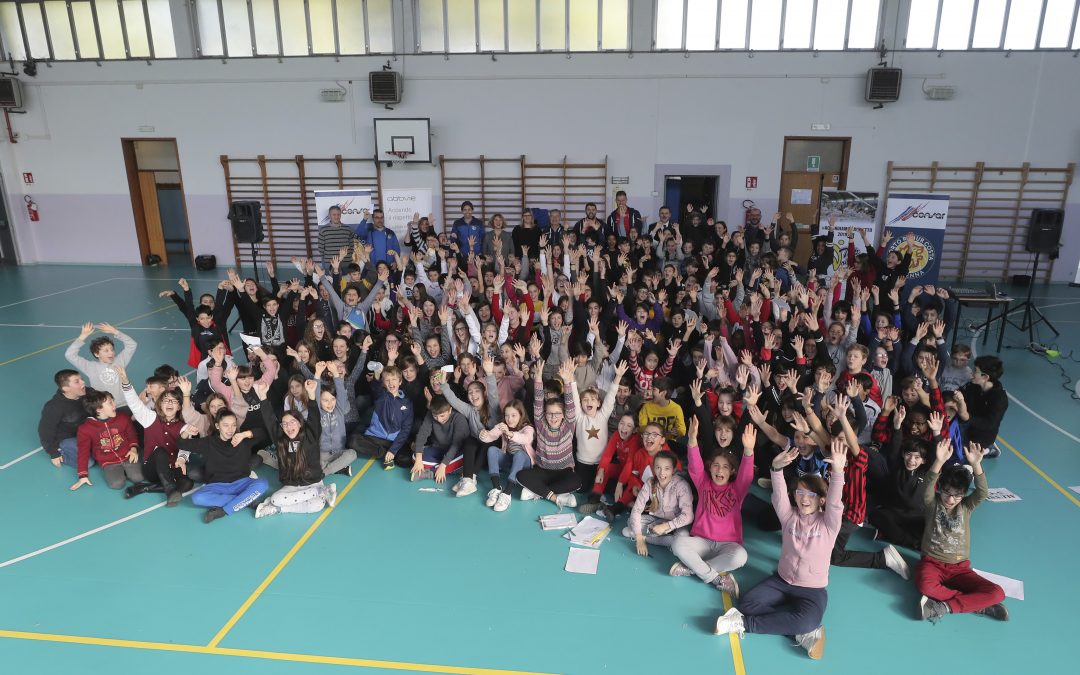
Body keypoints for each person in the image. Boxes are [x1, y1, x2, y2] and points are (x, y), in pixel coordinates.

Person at [713, 439, 848, 661]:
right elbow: (779, 496)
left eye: (811, 495)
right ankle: (801, 633)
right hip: (781, 581)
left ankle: (743, 624)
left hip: (812, 590)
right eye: (800, 493)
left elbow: (835, 503)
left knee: (807, 620)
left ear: (821, 500)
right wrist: (776, 469)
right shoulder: (789, 517)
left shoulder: (829, 524)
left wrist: (839, 472)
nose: (804, 499)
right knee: (747, 603)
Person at [916, 440, 1008, 622]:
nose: (951, 499)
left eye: (957, 495)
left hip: (960, 569)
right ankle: (977, 604)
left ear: (964, 494)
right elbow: (926, 487)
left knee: (998, 593)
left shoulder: (966, 506)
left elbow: (982, 492)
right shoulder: (932, 503)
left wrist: (976, 464)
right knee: (925, 586)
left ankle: (945, 606)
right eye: (947, 492)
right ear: (940, 489)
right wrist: (939, 462)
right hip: (932, 564)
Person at [669, 417, 753, 595]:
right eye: (716, 466)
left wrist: (749, 451)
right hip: (702, 542)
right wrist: (692, 440)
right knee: (677, 543)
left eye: (724, 467)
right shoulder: (703, 483)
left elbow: (746, 476)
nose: (719, 470)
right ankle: (714, 577)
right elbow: (695, 466)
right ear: (710, 468)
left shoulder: (737, 490)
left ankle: (692, 568)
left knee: (741, 556)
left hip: (726, 545)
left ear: (732, 472)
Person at [254, 381, 337, 518]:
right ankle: (321, 492)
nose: (288, 426)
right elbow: (269, 420)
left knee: (317, 506)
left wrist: (311, 395)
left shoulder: (310, 436)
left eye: (292, 422)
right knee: (276, 499)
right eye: (285, 424)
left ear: (300, 424)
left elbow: (314, 418)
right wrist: (263, 396)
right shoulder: (281, 440)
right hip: (292, 486)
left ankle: (279, 508)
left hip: (312, 482)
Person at [116, 366, 192, 505]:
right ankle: (169, 491)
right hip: (152, 470)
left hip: (174, 467)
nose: (169, 403)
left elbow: (185, 448)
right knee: (160, 451)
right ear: (159, 405)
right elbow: (134, 403)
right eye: (166, 401)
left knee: (186, 484)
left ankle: (144, 488)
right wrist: (125, 382)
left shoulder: (184, 426)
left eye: (174, 401)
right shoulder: (149, 418)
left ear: (179, 407)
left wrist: (181, 459)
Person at [176, 410, 268, 523]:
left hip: (241, 483)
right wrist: (186, 432)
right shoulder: (208, 443)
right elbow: (180, 443)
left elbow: (264, 433)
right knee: (197, 498)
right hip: (217, 486)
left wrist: (244, 434)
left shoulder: (243, 441)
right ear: (217, 426)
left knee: (263, 483)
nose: (230, 429)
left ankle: (224, 510)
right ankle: (246, 500)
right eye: (226, 425)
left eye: (233, 425)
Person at [515, 359, 581, 507]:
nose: (553, 417)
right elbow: (538, 401)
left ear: (563, 415)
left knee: (577, 482)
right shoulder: (541, 423)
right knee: (520, 475)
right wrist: (538, 378)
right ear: (544, 415)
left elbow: (570, 404)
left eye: (557, 414)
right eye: (550, 414)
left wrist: (567, 381)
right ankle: (556, 497)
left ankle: (536, 492)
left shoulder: (569, 425)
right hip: (542, 471)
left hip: (563, 472)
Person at [71, 389, 144, 492]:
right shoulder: (85, 429)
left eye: (113, 401)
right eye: (110, 403)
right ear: (98, 409)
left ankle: (128, 471)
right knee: (116, 484)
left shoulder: (123, 418)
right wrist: (83, 475)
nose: (115, 404)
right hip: (108, 462)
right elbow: (83, 452)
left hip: (127, 456)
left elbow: (132, 435)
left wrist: (133, 449)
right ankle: (122, 473)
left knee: (139, 478)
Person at [625, 449, 693, 557]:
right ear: (653, 468)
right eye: (658, 468)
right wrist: (639, 539)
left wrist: (666, 526)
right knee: (630, 522)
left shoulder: (681, 486)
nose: (662, 473)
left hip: (677, 523)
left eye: (667, 468)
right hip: (657, 520)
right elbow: (637, 510)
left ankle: (648, 537)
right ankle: (657, 538)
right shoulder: (650, 482)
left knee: (683, 538)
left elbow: (688, 516)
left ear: (674, 470)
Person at [479, 400, 535, 512]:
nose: (509, 419)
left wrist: (510, 434)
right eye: (507, 415)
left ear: (521, 415)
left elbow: (525, 439)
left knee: (519, 454)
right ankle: (496, 488)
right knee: (492, 450)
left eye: (514, 415)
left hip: (524, 465)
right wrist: (483, 435)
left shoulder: (528, 428)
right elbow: (490, 436)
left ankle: (507, 493)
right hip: (509, 463)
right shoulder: (503, 426)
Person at [64, 322, 138, 406]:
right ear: (96, 354)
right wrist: (82, 336)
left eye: (112, 349)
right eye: (106, 350)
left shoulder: (119, 361)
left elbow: (132, 344)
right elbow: (69, 355)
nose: (111, 353)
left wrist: (115, 331)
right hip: (103, 408)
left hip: (123, 404)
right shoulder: (90, 367)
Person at [404, 395, 470, 482]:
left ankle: (431, 472)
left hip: (457, 452)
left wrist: (443, 466)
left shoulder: (459, 419)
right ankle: (452, 468)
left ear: (450, 410)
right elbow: (422, 435)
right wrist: (419, 460)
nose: (438, 419)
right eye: (435, 416)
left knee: (467, 460)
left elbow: (455, 446)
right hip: (438, 449)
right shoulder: (430, 414)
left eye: (442, 416)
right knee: (415, 456)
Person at [958, 355, 1008, 458]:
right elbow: (961, 393)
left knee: (963, 455)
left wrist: (968, 418)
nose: (972, 373)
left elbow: (990, 423)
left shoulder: (999, 399)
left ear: (985, 377)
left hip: (982, 434)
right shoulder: (973, 386)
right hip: (967, 425)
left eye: (975, 371)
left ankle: (988, 448)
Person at [39, 369, 87, 471]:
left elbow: (101, 400)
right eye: (77, 381)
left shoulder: (87, 392)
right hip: (66, 438)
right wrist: (53, 453)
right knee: (88, 462)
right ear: (66, 388)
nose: (83, 382)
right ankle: (63, 452)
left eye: (81, 379)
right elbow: (45, 432)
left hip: (84, 431)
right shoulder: (53, 408)